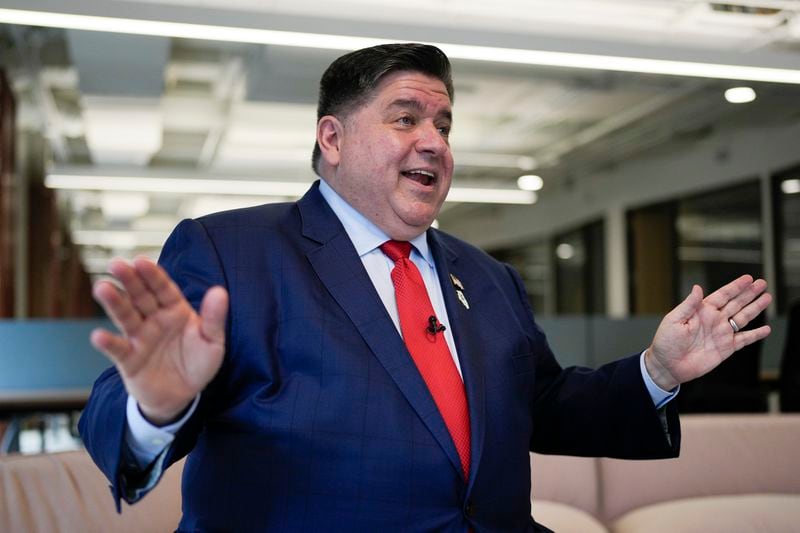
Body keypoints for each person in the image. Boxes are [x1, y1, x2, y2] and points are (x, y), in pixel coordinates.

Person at [79, 43, 772, 532]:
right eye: (405, 118)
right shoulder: (231, 251)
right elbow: (111, 419)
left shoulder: (488, 276)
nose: (435, 141)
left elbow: (546, 406)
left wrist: (657, 371)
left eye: (443, 123)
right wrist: (158, 405)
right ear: (333, 138)